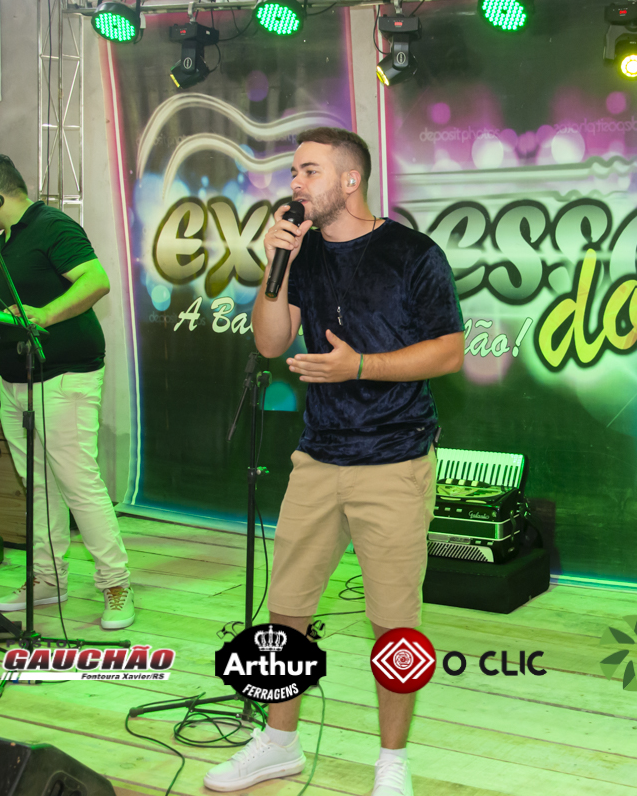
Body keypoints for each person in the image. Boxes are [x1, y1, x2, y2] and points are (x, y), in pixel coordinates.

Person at [203, 128, 463, 796]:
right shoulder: (302, 253)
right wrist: (276, 264)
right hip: (318, 456)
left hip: (394, 458)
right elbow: (270, 343)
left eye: (310, 171)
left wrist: (361, 366)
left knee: (394, 622)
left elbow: (450, 351)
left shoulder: (413, 253)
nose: (295, 183)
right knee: (286, 609)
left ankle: (392, 760)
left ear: (351, 180)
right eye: (294, 171)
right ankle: (278, 742)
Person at [0, 152, 134, 632]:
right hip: (16, 384)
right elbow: (1, 300)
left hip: (62, 377)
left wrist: (45, 316)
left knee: (78, 483)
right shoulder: (9, 240)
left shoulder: (52, 226)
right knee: (38, 486)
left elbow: (96, 281)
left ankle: (116, 584)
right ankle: (48, 579)